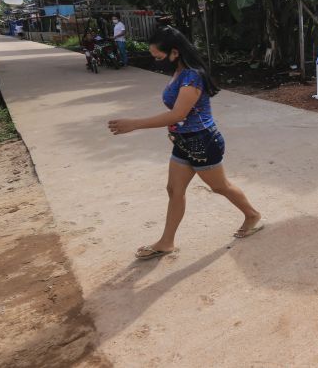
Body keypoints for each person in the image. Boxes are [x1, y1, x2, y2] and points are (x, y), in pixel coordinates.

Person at [108, 26, 262, 260]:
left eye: (159, 56)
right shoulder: (179, 72)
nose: (156, 60)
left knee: (220, 187)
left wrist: (135, 124)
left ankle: (252, 215)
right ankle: (166, 242)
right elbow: (179, 118)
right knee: (174, 190)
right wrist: (173, 132)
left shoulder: (192, 76)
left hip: (203, 141)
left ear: (175, 52)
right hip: (184, 141)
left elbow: (179, 114)